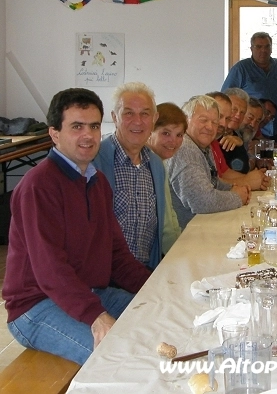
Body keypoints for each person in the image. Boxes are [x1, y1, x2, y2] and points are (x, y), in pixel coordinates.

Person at [3, 88, 150, 365]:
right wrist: (97, 316)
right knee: (112, 358)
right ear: (54, 134)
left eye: (94, 126)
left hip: (90, 292)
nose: (88, 135)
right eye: (76, 127)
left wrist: (155, 287)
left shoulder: (97, 183)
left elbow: (117, 256)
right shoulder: (38, 186)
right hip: (36, 305)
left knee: (158, 315)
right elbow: (51, 270)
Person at [94, 82, 165, 270]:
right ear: (114, 117)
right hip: (106, 275)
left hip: (144, 272)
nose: (138, 121)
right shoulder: (95, 161)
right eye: (128, 113)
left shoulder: (156, 165)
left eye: (145, 114)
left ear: (155, 118)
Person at [167, 95, 251, 229]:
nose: (210, 127)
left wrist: (232, 188)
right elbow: (201, 201)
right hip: (187, 234)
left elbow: (213, 182)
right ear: (186, 120)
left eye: (214, 122)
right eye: (203, 120)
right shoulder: (185, 148)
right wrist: (237, 197)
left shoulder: (203, 145)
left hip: (203, 225)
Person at [222, 32, 277, 149]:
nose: (263, 50)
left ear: (271, 48)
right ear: (251, 49)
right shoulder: (240, 69)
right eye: (259, 47)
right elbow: (225, 98)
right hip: (251, 129)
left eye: (267, 46)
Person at [147, 102, 187, 255]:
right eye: (166, 133)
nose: (173, 141)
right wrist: (177, 255)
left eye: (179, 135)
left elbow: (170, 214)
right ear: (150, 131)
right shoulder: (149, 164)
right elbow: (165, 225)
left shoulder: (160, 162)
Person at [208, 92, 269, 190]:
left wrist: (256, 179)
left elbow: (225, 172)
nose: (237, 116)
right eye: (234, 110)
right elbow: (211, 185)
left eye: (242, 113)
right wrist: (248, 181)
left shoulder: (238, 136)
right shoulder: (194, 145)